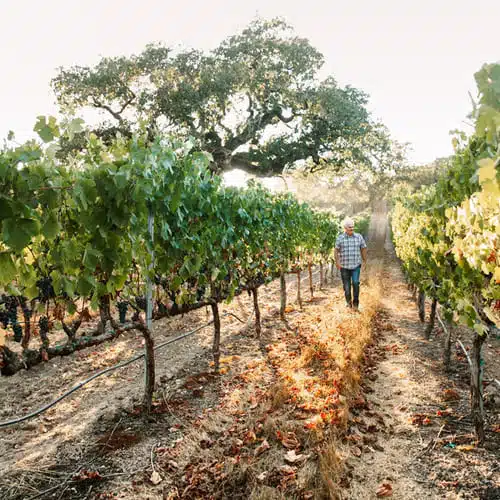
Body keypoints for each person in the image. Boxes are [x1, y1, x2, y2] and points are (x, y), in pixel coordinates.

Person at [334, 218, 367, 311]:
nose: (352, 229)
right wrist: (337, 261)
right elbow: (336, 250)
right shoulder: (340, 238)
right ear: (345, 228)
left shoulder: (359, 237)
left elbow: (363, 248)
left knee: (356, 283)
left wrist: (365, 261)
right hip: (344, 266)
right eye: (350, 227)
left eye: (353, 227)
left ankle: (356, 303)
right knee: (347, 286)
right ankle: (348, 304)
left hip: (356, 265)